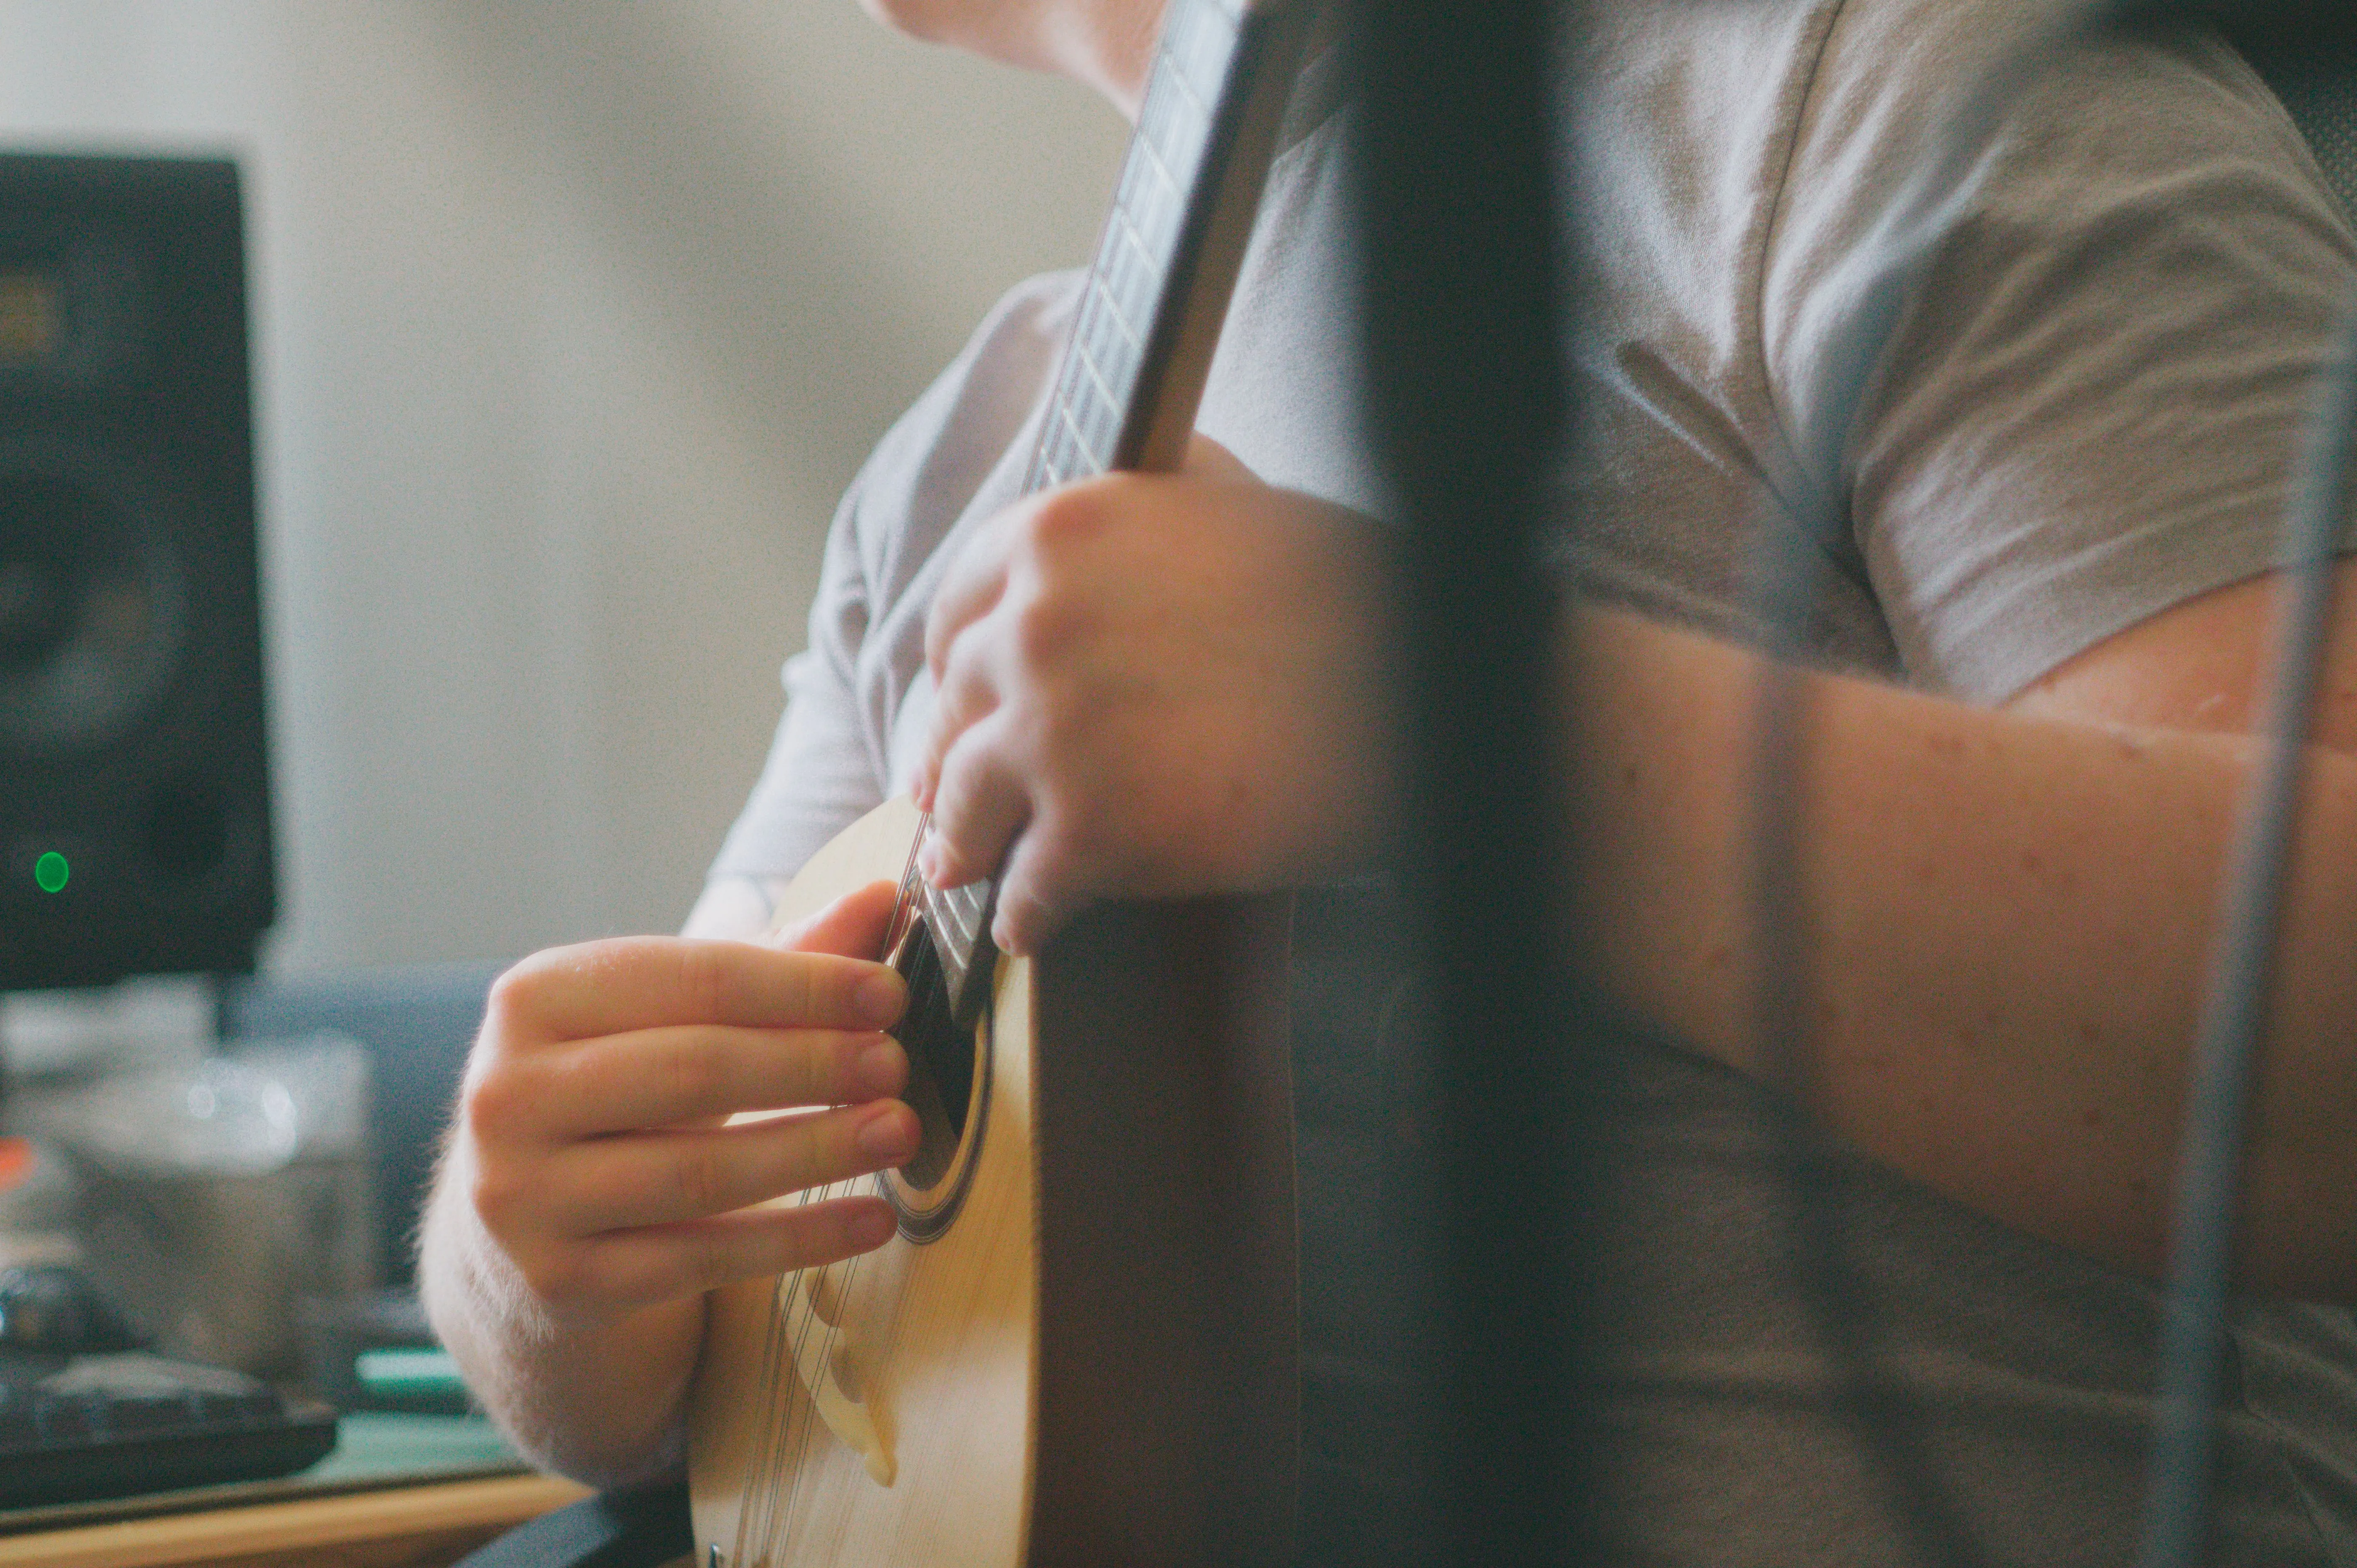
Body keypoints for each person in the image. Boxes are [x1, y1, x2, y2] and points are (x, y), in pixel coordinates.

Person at [419, 0, 2357, 1560]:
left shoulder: (1883, 91)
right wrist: (529, 1259)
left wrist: (1439, 718)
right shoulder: (956, 468)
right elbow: (688, 1324)